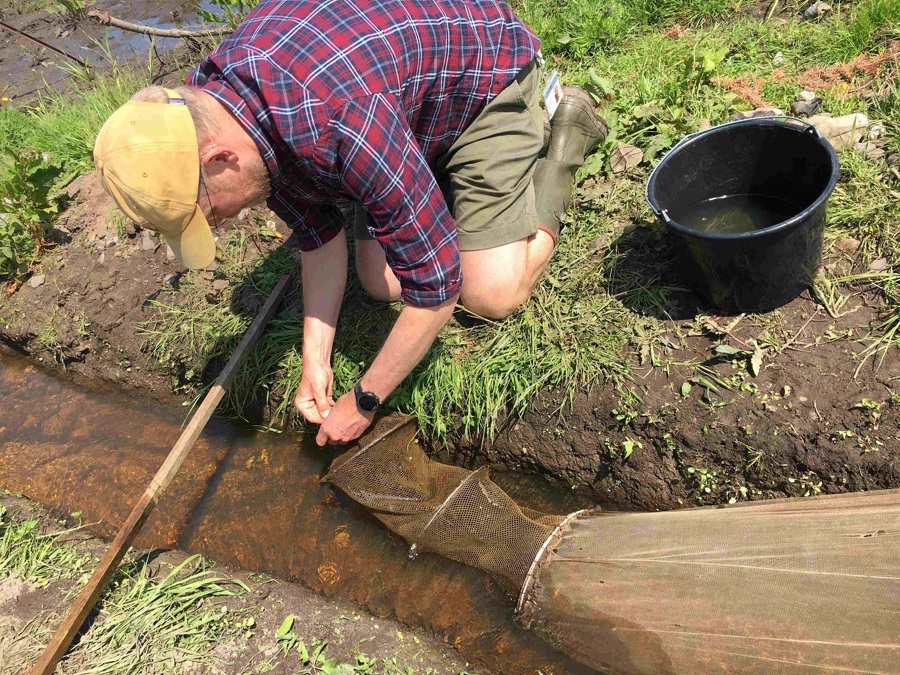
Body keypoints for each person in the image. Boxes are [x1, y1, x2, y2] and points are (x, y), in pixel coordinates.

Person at [92, 0, 606, 446]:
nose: (222, 222)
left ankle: (566, 138)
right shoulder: (211, 107)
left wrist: (364, 400)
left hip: (486, 74)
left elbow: (437, 285)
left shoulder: (337, 121)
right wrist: (315, 361)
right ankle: (424, 180)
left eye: (212, 211)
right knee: (378, 281)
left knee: (488, 292)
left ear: (221, 158)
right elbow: (319, 235)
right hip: (394, 101)